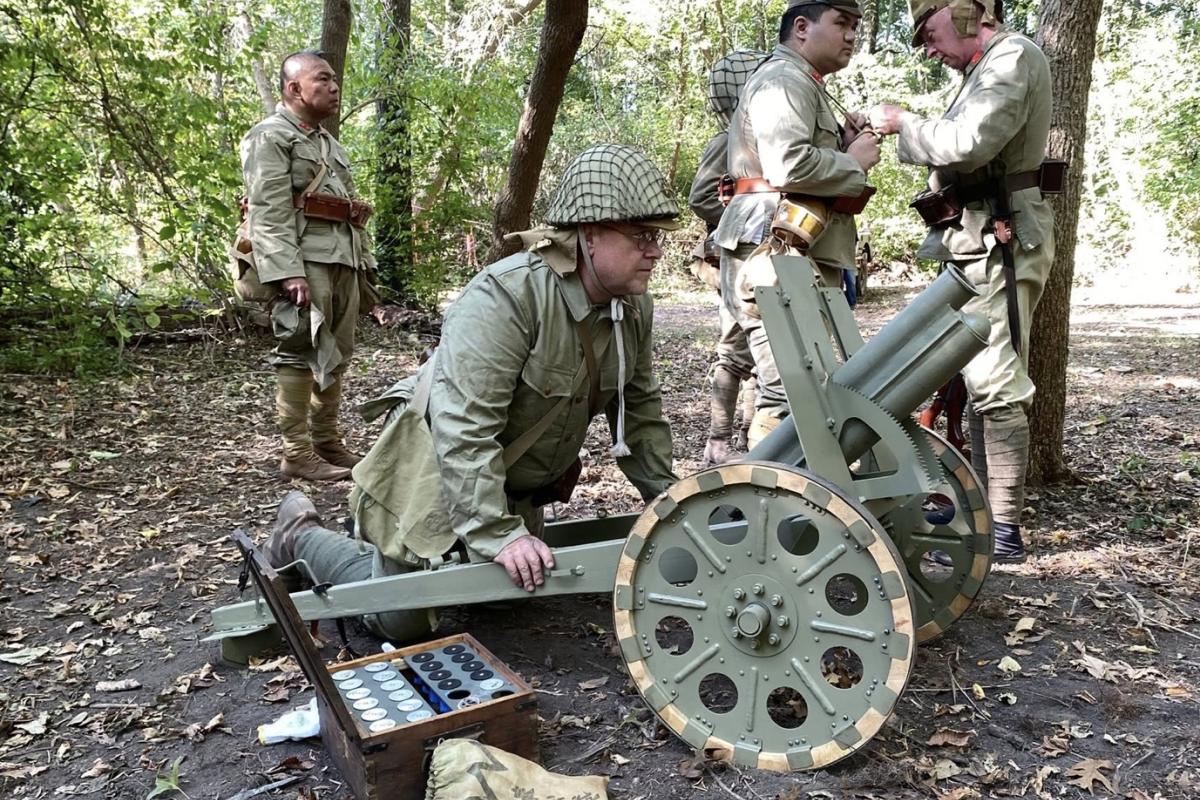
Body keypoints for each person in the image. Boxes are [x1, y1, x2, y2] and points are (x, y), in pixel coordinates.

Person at [262, 144, 680, 641]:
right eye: (640, 236)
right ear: (590, 235)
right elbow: (463, 427)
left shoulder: (632, 308)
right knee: (403, 624)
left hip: (506, 485)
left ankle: (452, 547)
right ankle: (301, 535)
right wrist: (498, 534)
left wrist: (673, 505)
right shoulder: (507, 296)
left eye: (655, 237)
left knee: (505, 605)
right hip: (433, 472)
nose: (655, 250)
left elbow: (640, 414)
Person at [868, 0, 1055, 561]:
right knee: (972, 378)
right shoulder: (986, 65)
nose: (928, 48)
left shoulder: (1011, 57)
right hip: (976, 239)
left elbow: (968, 142)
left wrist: (903, 123)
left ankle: (1002, 531)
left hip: (1000, 240)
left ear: (968, 14)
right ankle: (981, 512)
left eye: (929, 32)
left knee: (995, 382)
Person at [715, 0, 882, 447]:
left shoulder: (806, 82)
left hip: (790, 252)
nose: (852, 35)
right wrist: (851, 161)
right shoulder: (785, 79)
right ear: (802, 28)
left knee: (799, 393)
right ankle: (767, 507)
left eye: (856, 26)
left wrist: (844, 146)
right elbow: (787, 165)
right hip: (775, 252)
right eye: (842, 23)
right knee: (789, 397)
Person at [240, 51, 375, 482]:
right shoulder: (270, 136)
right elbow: (269, 210)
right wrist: (286, 271)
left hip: (341, 258)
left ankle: (327, 442)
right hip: (304, 260)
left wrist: (364, 262)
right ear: (294, 88)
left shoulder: (326, 143)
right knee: (300, 350)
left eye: (335, 79)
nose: (334, 87)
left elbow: (346, 208)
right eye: (323, 80)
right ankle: (296, 452)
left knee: (337, 353)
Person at [689, 50, 768, 467]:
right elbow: (702, 198)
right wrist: (753, 217)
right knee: (735, 351)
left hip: (760, 258)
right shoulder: (726, 143)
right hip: (736, 260)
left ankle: (750, 437)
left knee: (759, 357)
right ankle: (718, 447)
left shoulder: (755, 140)